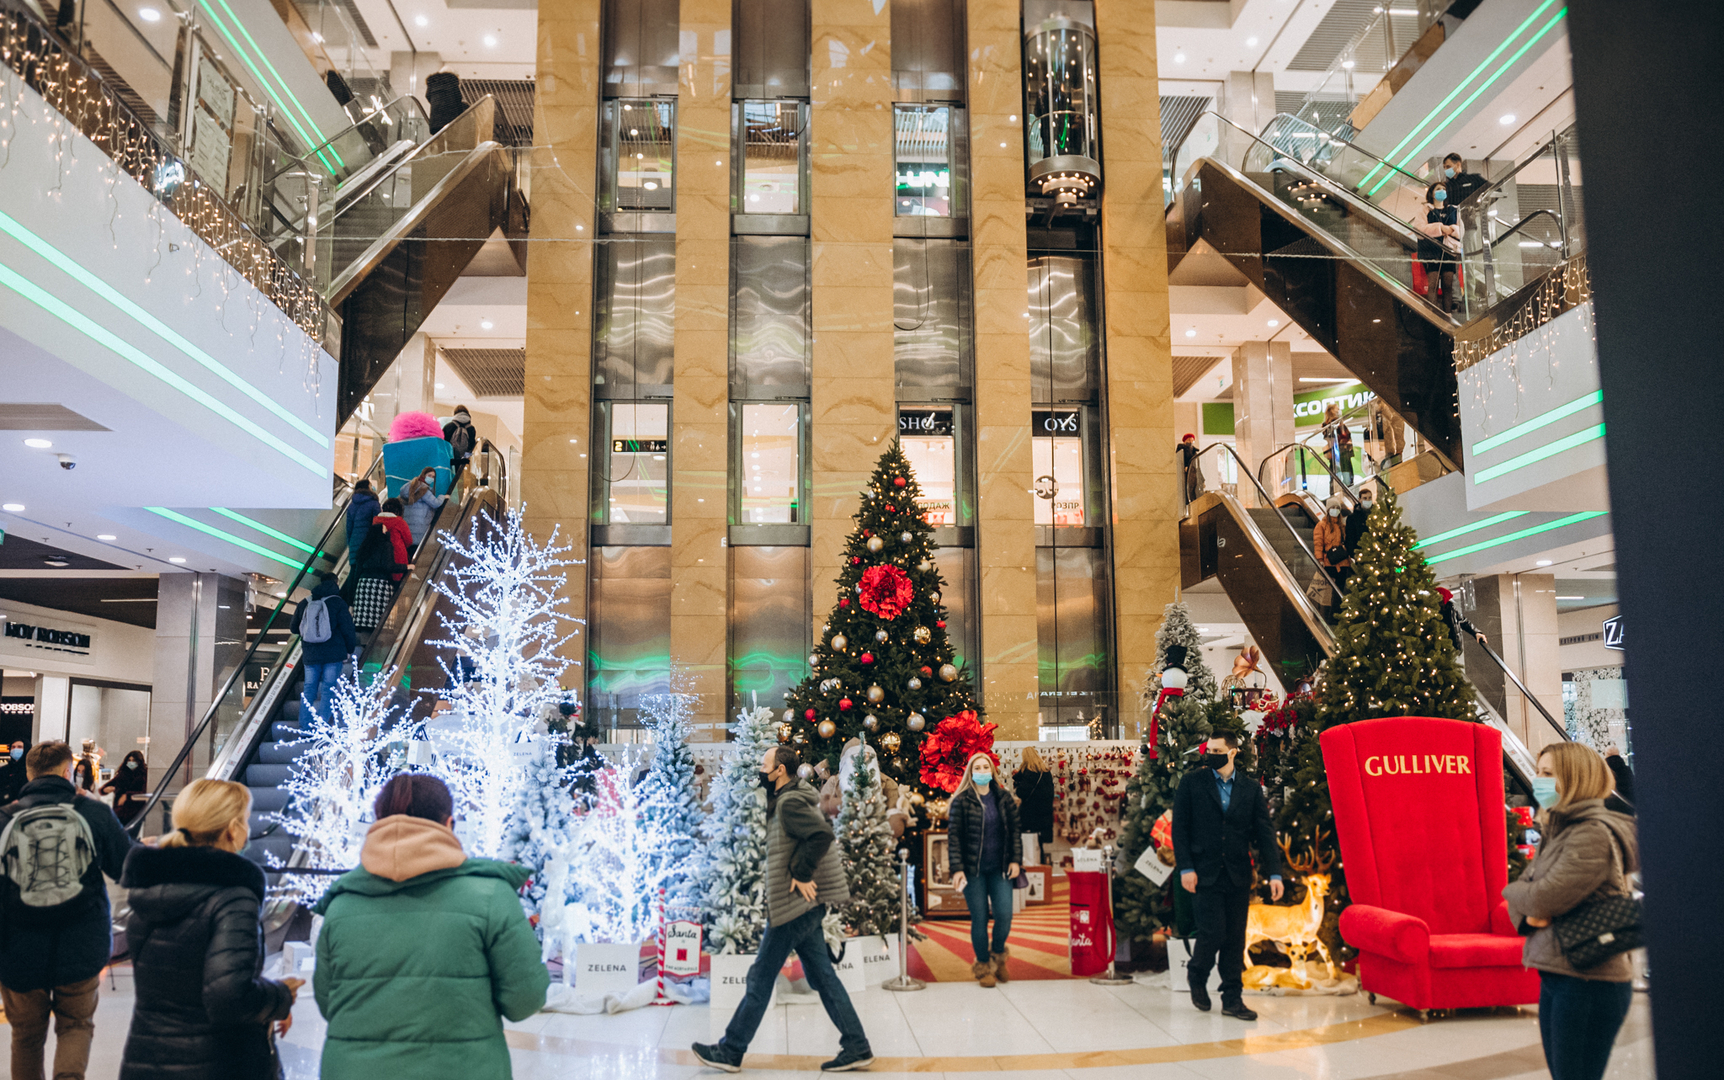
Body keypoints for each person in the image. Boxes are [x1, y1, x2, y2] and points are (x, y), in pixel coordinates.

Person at [313, 774, 548, 1078]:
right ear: (449, 824)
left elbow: (328, 1002)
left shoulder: (341, 904)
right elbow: (525, 1000)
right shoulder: (491, 896)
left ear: (379, 822)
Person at [693, 747, 872, 1073]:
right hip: (802, 907)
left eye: (765, 765)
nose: (761, 771)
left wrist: (801, 873)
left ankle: (731, 1050)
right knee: (823, 978)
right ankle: (857, 1045)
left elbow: (821, 835)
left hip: (792, 906)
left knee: (761, 977)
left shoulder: (789, 803)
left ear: (780, 771)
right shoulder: (787, 798)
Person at [117, 779, 299, 1080]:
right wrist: (279, 997)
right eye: (245, 819)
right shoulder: (233, 898)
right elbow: (228, 996)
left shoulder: (150, 888)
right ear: (232, 829)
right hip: (217, 1062)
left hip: (148, 1056)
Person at [1502, 743, 1638, 1080]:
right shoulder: (1558, 828)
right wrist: (1528, 909)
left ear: (1574, 778)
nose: (1538, 780)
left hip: (1590, 980)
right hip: (1558, 973)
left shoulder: (1591, 833)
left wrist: (1511, 892)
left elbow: (1541, 897)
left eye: (1548, 773)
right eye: (1538, 771)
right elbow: (1532, 898)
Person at [0, 740, 134, 1080]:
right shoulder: (93, 813)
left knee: (26, 1036)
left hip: (17, 948)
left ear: (29, 774)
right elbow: (126, 869)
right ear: (67, 771)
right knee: (76, 1025)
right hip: (82, 943)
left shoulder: (4, 818)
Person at [1171, 732, 1283, 1021]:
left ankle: (1232, 998)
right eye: (1209, 750)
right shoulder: (1192, 782)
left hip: (1237, 874)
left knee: (1235, 938)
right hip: (1202, 873)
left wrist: (1274, 872)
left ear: (1233, 753)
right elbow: (1179, 828)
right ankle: (1197, 974)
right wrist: (1186, 868)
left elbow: (1264, 833)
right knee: (1213, 932)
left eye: (1218, 751)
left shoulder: (1250, 789)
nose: (1211, 755)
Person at [947, 752, 1023, 988]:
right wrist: (957, 869)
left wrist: (1015, 860)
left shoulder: (1004, 798)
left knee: (1005, 915)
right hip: (973, 871)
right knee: (979, 918)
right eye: (977, 768)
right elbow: (954, 838)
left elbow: (1015, 833)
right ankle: (982, 965)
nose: (982, 771)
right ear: (971, 773)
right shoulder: (961, 801)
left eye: (985, 767)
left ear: (992, 771)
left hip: (1000, 869)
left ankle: (998, 956)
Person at [290, 572, 360, 726]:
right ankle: (324, 727)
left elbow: (294, 628)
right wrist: (349, 649)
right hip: (333, 655)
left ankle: (304, 726)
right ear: (336, 583)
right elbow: (348, 629)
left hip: (310, 654)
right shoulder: (338, 603)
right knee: (328, 689)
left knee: (309, 689)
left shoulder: (304, 602)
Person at [349, 509, 411, 633]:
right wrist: (406, 567)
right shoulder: (386, 545)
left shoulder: (365, 547)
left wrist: (352, 597)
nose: (387, 531)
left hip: (364, 585)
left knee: (364, 622)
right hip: (380, 585)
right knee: (379, 624)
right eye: (385, 529)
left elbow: (357, 571)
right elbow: (389, 566)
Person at [1417, 179, 1463, 313]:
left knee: (1448, 285)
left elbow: (1461, 231)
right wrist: (1440, 228)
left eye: (1443, 189)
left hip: (1448, 251)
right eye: (1438, 189)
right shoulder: (1425, 209)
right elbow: (1419, 229)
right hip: (1430, 250)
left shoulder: (1453, 210)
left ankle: (1448, 315)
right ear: (1432, 193)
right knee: (1434, 283)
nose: (1441, 191)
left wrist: (1452, 229)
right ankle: (1433, 315)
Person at [1013, 747, 1055, 853]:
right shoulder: (1046, 772)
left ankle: (1032, 863)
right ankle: (1040, 862)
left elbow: (1021, 793)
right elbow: (1050, 793)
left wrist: (1018, 783)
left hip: (1030, 816)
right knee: (1038, 846)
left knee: (1027, 847)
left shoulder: (1029, 773)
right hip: (1044, 816)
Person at [401, 466, 449, 551]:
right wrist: (443, 497)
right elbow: (436, 503)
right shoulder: (423, 489)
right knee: (419, 550)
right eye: (429, 475)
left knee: (410, 550)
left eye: (433, 477)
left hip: (409, 525)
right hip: (420, 525)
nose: (431, 478)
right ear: (423, 475)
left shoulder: (411, 487)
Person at [98, 750, 149, 827]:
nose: (131, 763)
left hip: (135, 813)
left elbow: (144, 792)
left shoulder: (144, 776)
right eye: (129, 760)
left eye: (134, 761)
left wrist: (127, 796)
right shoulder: (123, 774)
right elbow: (104, 788)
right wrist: (105, 790)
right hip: (119, 812)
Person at [1313, 496, 1352, 597]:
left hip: (1343, 563)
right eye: (1333, 508)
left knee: (1339, 592)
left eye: (1337, 508)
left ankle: (1338, 606)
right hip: (1329, 563)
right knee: (1329, 593)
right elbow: (1318, 543)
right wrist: (1320, 559)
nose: (1335, 510)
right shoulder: (1321, 525)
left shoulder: (1342, 526)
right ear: (1328, 510)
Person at [1437, 586, 1488, 651]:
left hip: (1453, 648)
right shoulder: (1433, 613)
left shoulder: (1451, 610)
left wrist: (1476, 632)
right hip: (1440, 649)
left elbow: (1463, 622)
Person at [443, 406, 479, 480]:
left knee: (449, 480)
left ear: (455, 414)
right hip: (463, 462)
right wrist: (465, 459)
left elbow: (443, 444)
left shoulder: (449, 426)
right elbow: (472, 446)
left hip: (450, 460)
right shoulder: (471, 428)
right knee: (461, 481)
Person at [345, 478, 379, 550]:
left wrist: (350, 543)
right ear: (367, 488)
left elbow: (349, 528)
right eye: (370, 486)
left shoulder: (351, 506)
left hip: (354, 543)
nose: (372, 488)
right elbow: (377, 524)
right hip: (369, 543)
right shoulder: (374, 503)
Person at [1344, 486, 1375, 558]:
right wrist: (1354, 554)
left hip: (1377, 554)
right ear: (1359, 500)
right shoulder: (1352, 518)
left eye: (1369, 498)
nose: (1368, 500)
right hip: (1361, 555)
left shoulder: (1377, 515)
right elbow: (1350, 538)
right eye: (1365, 498)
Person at [1601, 744, 1636, 810]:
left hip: (1608, 808)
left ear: (1606, 755)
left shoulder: (1603, 771)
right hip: (1628, 807)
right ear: (1618, 754)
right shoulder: (1627, 770)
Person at [1177, 433, 1202, 503]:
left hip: (1193, 473)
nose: (1191, 442)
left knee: (1193, 490)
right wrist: (1184, 466)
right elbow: (1179, 460)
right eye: (1189, 440)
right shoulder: (1181, 449)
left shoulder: (1195, 451)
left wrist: (1201, 479)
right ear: (1184, 441)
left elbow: (1198, 466)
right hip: (1185, 472)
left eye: (1192, 440)